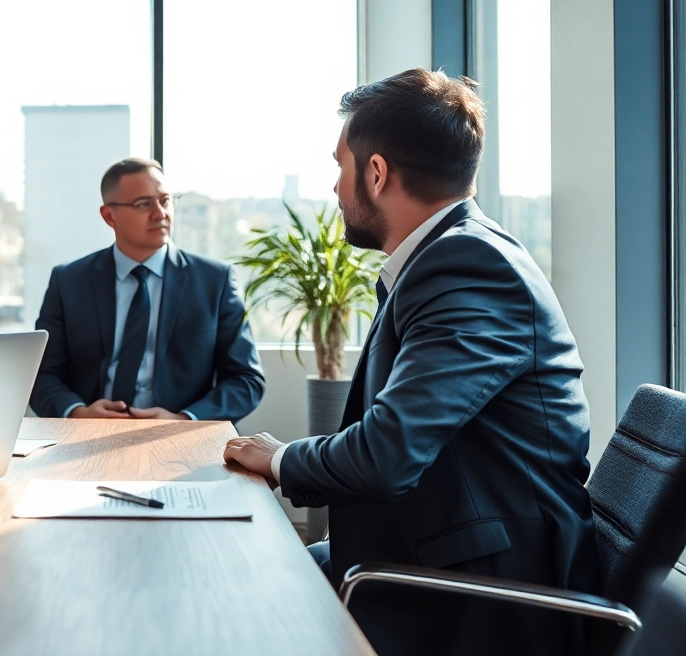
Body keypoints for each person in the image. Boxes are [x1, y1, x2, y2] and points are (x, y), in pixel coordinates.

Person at [222, 69, 597, 656]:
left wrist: (280, 459)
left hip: (483, 593)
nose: (336, 187)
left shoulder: (468, 264)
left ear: (376, 173)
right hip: (440, 553)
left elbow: (385, 456)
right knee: (243, 574)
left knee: (234, 603)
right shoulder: (449, 256)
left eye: (340, 167)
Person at [28, 158, 264, 423]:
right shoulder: (69, 281)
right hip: (84, 438)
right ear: (109, 216)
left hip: (184, 443)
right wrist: (78, 414)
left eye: (165, 200)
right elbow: (40, 374)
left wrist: (184, 420)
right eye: (143, 204)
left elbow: (247, 381)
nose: (160, 213)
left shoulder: (215, 281)